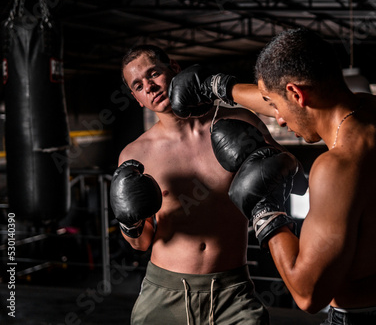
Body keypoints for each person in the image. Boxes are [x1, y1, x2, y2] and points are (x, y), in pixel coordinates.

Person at [175, 28, 376, 325]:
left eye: (276, 107)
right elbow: (285, 98)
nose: (279, 119)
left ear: (297, 94)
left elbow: (307, 296)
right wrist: (218, 87)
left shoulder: (335, 167)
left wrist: (265, 211)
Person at [110, 44, 307, 325]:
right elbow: (140, 243)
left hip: (232, 291)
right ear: (136, 98)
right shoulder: (135, 154)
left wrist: (273, 162)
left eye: (154, 74)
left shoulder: (239, 121)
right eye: (139, 85)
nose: (150, 87)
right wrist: (130, 223)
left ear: (174, 69)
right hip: (165, 293)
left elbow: (298, 183)